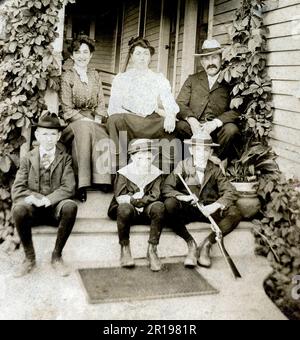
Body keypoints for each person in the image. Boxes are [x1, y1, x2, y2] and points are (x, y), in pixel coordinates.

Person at [162, 131, 242, 268]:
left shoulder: (215, 169)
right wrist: (184, 197)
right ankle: (191, 243)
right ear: (191, 150)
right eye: (197, 149)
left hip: (207, 210)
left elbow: (231, 191)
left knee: (235, 213)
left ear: (210, 152)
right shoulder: (182, 165)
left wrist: (216, 205)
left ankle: (207, 244)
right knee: (169, 205)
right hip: (189, 209)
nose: (201, 153)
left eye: (205, 150)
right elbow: (166, 188)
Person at [11, 112, 78, 278]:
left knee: (70, 206)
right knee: (18, 209)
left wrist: (48, 200)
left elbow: (69, 187)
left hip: (54, 209)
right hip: (33, 210)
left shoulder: (65, 159)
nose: (48, 138)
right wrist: (37, 199)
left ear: (59, 136)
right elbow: (18, 189)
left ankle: (56, 256)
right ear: (37, 135)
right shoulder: (28, 158)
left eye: (53, 134)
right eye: (45, 134)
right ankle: (29, 257)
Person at [107, 37, 180, 173]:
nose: (142, 58)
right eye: (138, 54)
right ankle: (120, 172)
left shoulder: (158, 78)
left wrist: (170, 114)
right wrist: (133, 115)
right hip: (128, 121)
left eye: (146, 54)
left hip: (149, 122)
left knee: (171, 126)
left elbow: (169, 101)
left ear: (150, 57)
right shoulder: (121, 78)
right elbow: (113, 108)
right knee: (114, 119)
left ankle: (163, 176)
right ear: (132, 56)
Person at [60, 35, 112, 203]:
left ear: (90, 55)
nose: (82, 56)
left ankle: (102, 180)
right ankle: (81, 184)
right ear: (72, 55)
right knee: (84, 129)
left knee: (102, 132)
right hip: (72, 122)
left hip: (92, 119)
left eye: (85, 52)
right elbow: (66, 109)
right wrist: (85, 120)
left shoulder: (95, 75)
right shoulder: (67, 76)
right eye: (77, 52)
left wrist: (97, 118)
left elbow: (101, 102)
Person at [176, 39, 241, 161]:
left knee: (231, 130)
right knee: (180, 126)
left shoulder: (231, 81)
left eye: (214, 57)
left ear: (221, 59)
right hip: (195, 128)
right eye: (206, 59)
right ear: (201, 62)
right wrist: (192, 120)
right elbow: (179, 103)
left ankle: (216, 163)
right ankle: (189, 164)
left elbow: (237, 111)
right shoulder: (192, 80)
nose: (210, 62)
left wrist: (215, 123)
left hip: (218, 130)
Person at [108, 139, 165, 272]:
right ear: (132, 157)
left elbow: (155, 194)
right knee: (124, 208)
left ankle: (152, 249)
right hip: (129, 211)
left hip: (146, 209)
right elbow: (120, 195)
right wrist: (134, 202)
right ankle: (125, 247)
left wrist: (139, 201)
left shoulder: (156, 173)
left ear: (153, 158)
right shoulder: (124, 173)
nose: (144, 161)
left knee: (159, 206)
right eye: (140, 157)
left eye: (148, 158)